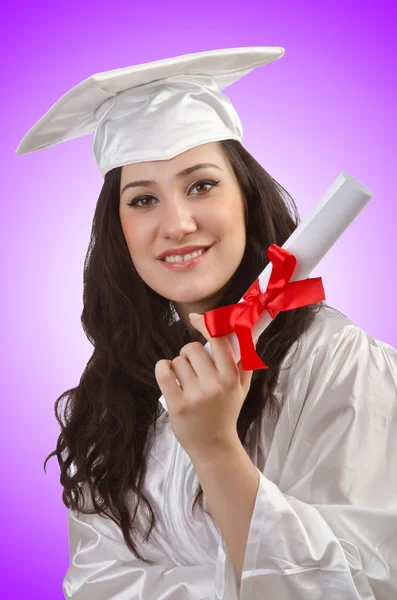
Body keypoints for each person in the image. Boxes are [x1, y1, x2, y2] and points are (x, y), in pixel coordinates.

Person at [16, 47, 397, 599]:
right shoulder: (113, 394)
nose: (177, 223)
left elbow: (359, 586)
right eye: (143, 199)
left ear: (245, 196)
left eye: (201, 185)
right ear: (118, 231)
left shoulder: (339, 365)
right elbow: (98, 584)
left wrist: (215, 447)